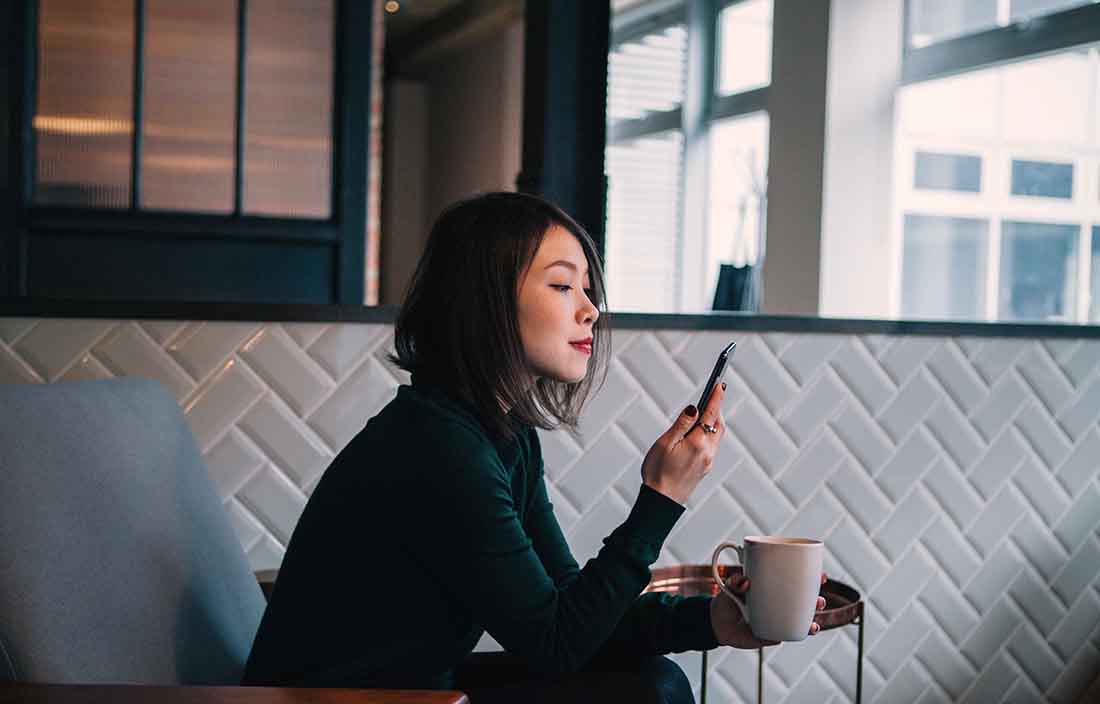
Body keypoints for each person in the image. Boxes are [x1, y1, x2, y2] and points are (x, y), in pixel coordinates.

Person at [242, 192, 824, 703]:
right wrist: (662, 496)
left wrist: (715, 621)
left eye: (587, 289)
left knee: (655, 682)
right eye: (562, 285)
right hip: (345, 703)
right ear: (486, 299)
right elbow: (556, 643)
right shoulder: (435, 447)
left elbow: (574, 614)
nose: (590, 309)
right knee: (651, 691)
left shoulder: (501, 435)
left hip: (420, 689)